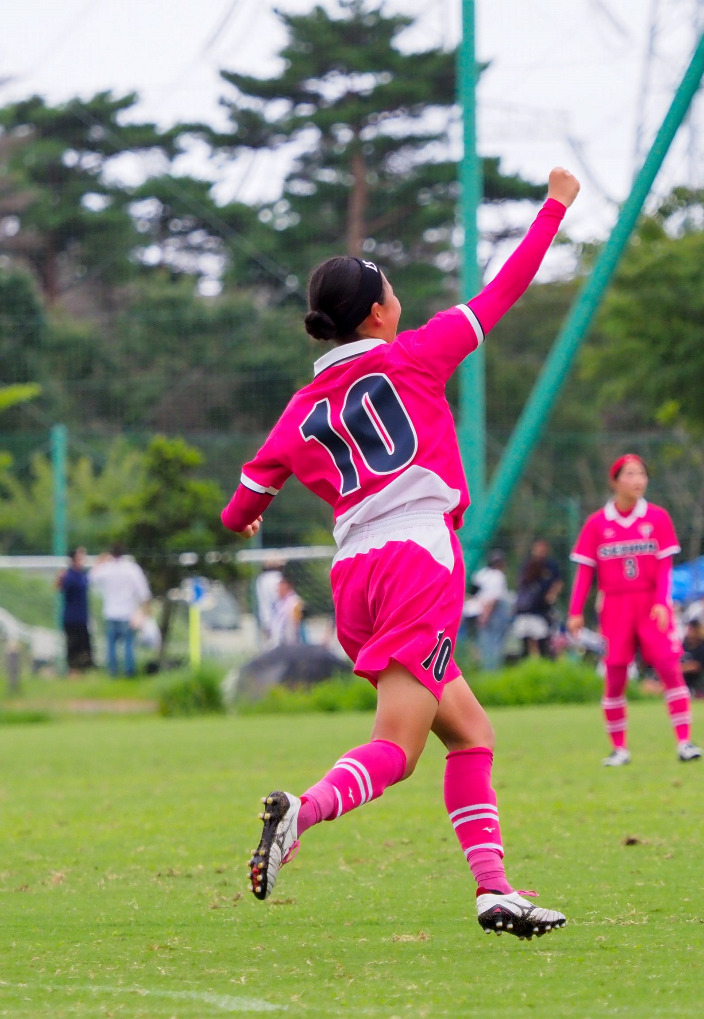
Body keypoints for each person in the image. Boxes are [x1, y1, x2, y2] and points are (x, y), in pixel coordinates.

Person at [220, 168, 580, 939]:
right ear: (379, 310)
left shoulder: (300, 406)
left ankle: (495, 892)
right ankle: (301, 813)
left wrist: (247, 518)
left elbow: (243, 499)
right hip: (419, 559)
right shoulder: (415, 354)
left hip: (354, 576)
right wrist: (553, 207)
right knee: (398, 747)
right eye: (390, 288)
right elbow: (505, 289)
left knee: (471, 731)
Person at [566, 454, 703, 766]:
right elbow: (586, 571)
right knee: (615, 674)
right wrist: (575, 611)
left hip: (650, 604)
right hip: (615, 606)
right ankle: (619, 749)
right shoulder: (597, 523)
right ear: (614, 481)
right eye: (630, 474)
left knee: (670, 667)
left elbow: (665, 566)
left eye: (642, 473)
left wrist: (661, 601)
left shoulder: (657, 518)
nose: (638, 480)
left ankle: (685, 742)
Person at [89, 543, 151, 677]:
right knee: (128, 644)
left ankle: (113, 671)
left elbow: (92, 578)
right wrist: (146, 609)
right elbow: (143, 590)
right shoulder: (131, 569)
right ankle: (129, 671)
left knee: (111, 645)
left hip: (110, 612)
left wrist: (100, 561)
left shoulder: (106, 568)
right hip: (127, 612)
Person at [513, 540, 563, 658]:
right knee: (525, 641)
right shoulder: (527, 565)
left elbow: (558, 581)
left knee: (543, 641)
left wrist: (552, 594)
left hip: (542, 609)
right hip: (527, 608)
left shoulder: (550, 565)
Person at [462, 550, 511, 670]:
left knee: (479, 641)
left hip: (473, 611)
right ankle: (491, 669)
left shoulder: (482, 574)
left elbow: (472, 593)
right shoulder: (498, 576)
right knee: (493, 642)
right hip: (490, 612)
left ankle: (481, 666)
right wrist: (485, 615)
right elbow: (492, 599)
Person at [56, 548, 94, 673]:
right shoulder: (69, 575)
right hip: (72, 617)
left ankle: (84, 669)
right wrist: (60, 578)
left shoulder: (83, 575)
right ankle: (73, 670)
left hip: (83, 617)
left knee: (85, 645)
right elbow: (59, 587)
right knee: (73, 645)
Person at [680, 618, 704, 697]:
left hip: (694, 682)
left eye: (691, 629)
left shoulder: (703, 648)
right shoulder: (684, 645)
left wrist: (677, 669)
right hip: (680, 678)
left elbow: (696, 666)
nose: (688, 631)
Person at [267, 575, 304, 647]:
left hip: (290, 639)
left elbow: (296, 623)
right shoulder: (278, 603)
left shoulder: (294, 602)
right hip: (279, 638)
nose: (278, 590)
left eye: (281, 586)